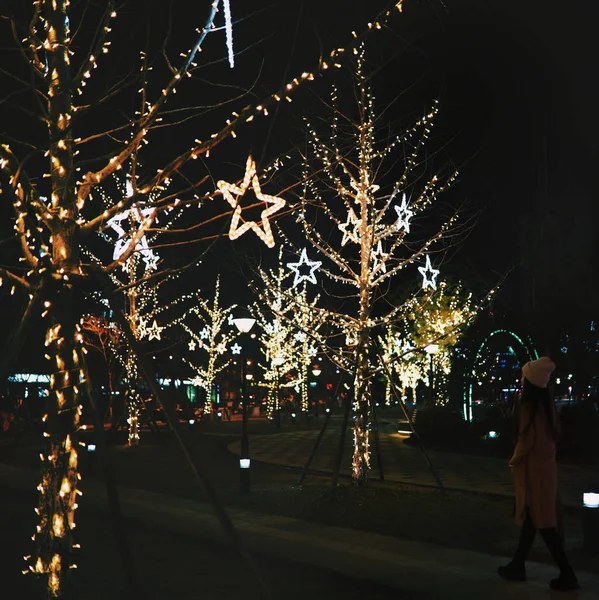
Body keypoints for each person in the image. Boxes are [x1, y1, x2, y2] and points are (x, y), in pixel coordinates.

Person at [498, 356, 579, 591]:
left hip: (533, 471)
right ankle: (517, 565)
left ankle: (567, 574)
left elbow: (526, 440)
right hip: (546, 470)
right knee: (535, 521)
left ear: (530, 381)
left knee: (543, 523)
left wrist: (515, 459)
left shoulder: (528, 408)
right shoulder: (548, 407)